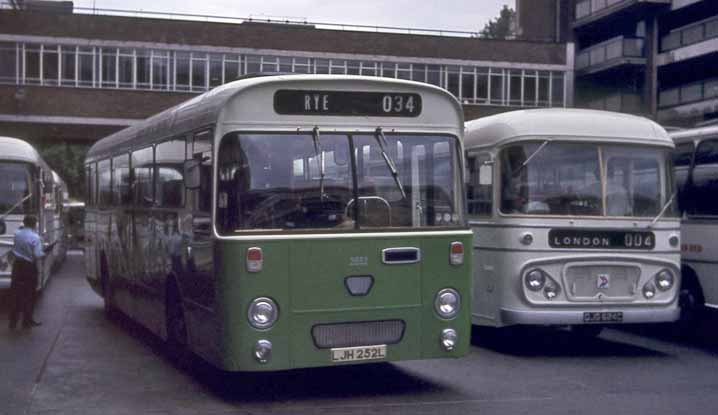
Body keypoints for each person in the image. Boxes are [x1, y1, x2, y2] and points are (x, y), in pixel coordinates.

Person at [8, 215, 54, 330]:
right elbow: (38, 254)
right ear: (34, 224)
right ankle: (27, 320)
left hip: (17, 266)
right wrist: (47, 251)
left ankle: (13, 321)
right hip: (29, 267)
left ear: (24, 223)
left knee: (16, 294)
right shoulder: (35, 237)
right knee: (29, 294)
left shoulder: (17, 234)